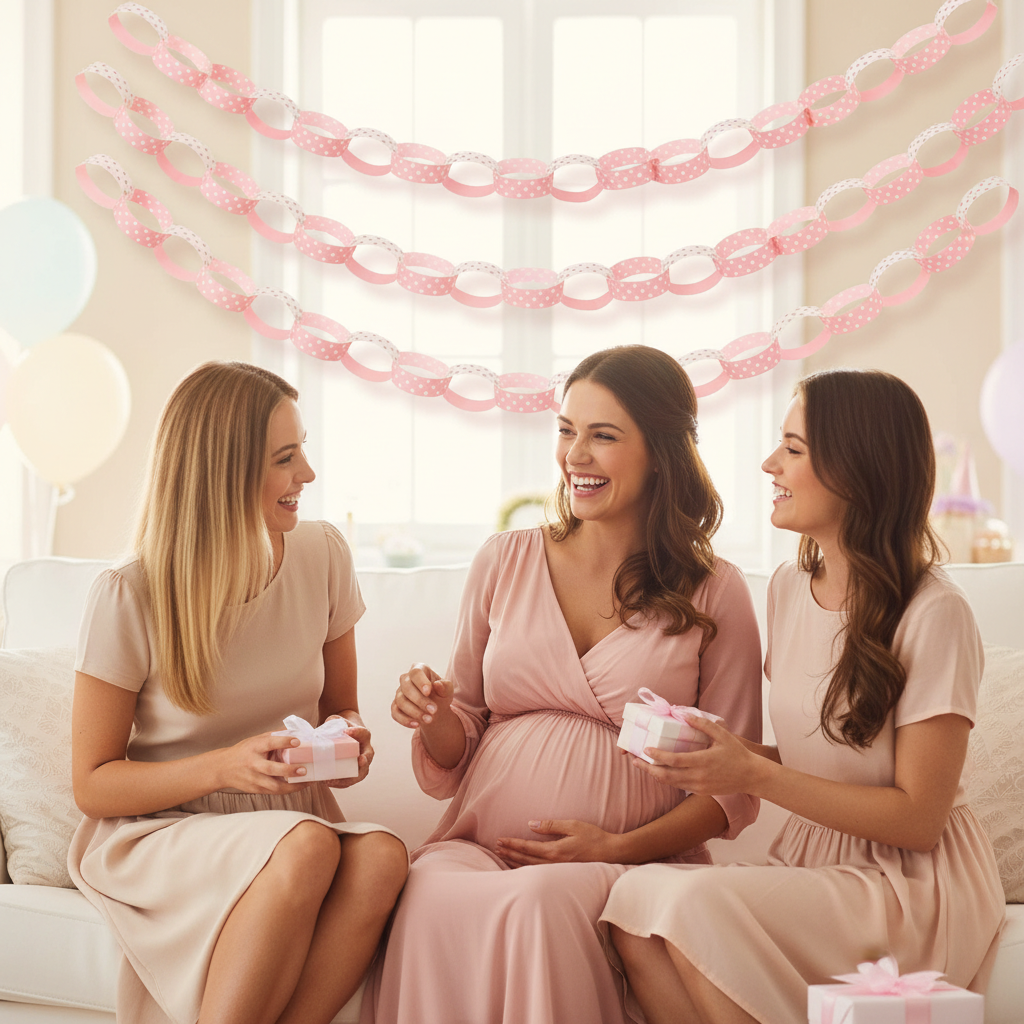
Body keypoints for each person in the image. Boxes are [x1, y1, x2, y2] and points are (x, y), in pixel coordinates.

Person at [363, 345, 764, 1024]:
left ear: (661, 452)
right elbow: (463, 727)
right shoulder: (505, 559)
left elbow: (734, 784)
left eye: (603, 436)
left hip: (632, 861)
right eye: (566, 429)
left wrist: (616, 847)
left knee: (541, 902)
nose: (575, 454)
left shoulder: (714, 590)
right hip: (478, 846)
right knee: (428, 891)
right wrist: (432, 715)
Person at [601, 368, 1006, 1024]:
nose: (769, 464)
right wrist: (723, 755)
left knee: (688, 907)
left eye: (792, 449)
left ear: (855, 469)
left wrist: (753, 772)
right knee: (634, 905)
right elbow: (820, 755)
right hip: (821, 861)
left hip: (910, 885)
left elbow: (917, 819)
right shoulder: (789, 588)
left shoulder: (935, 616)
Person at [68, 361, 408, 1024]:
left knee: (381, 856)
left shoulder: (323, 555)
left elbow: (341, 706)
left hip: (292, 820)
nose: (307, 474)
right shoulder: (128, 594)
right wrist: (227, 765)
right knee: (308, 845)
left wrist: (347, 739)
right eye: (286, 458)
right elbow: (92, 783)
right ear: (225, 474)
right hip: (164, 829)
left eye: (303, 449)